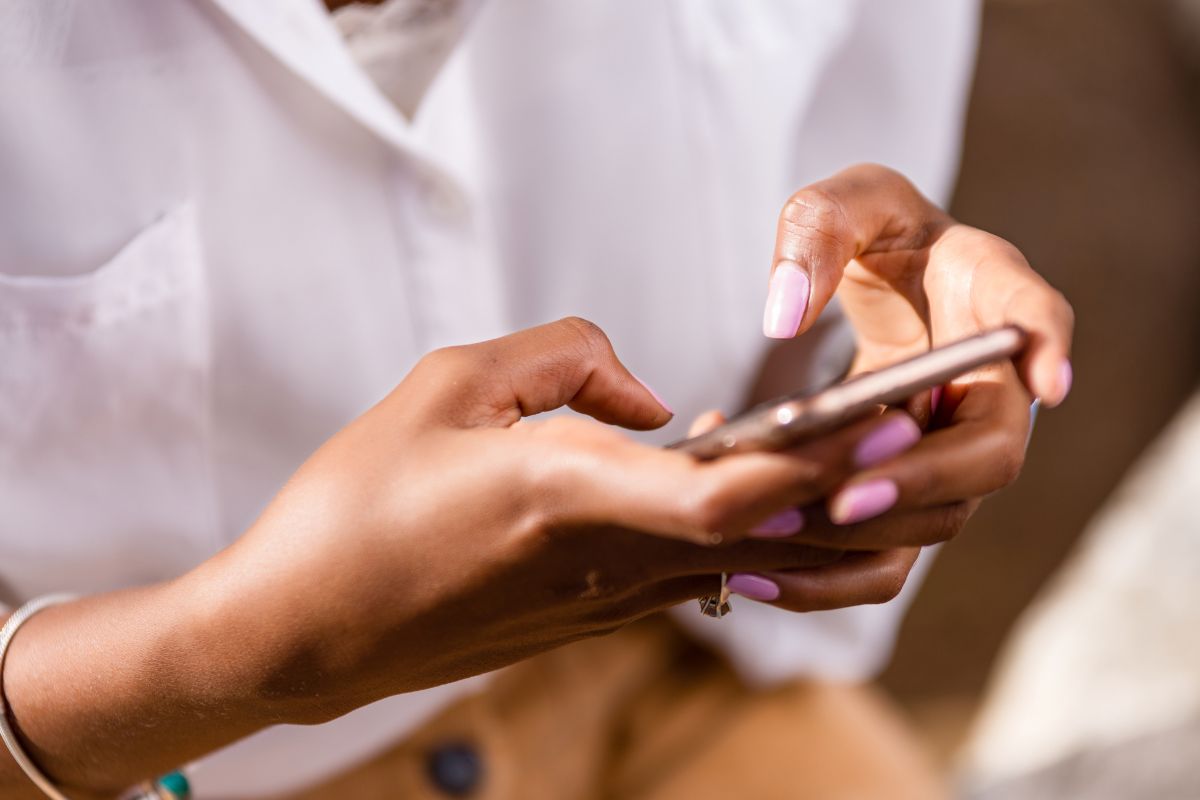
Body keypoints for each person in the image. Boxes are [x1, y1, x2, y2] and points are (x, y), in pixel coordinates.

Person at [0, 1, 1073, 798]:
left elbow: (820, 261)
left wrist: (875, 364)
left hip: (668, 679)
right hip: (150, 768)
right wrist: (233, 657)